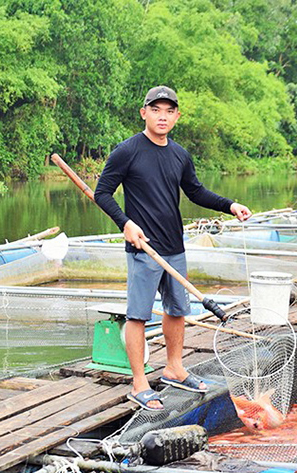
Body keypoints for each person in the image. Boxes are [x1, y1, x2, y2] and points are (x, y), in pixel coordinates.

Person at [94, 85, 252, 411]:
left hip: (174, 246)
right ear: (144, 113)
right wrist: (125, 224)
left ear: (177, 116)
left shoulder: (179, 155)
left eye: (169, 111)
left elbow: (195, 192)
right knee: (137, 315)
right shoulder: (127, 151)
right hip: (143, 247)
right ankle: (139, 383)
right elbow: (103, 193)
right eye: (156, 110)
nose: (162, 116)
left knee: (177, 309)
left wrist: (230, 204)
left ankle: (175, 368)